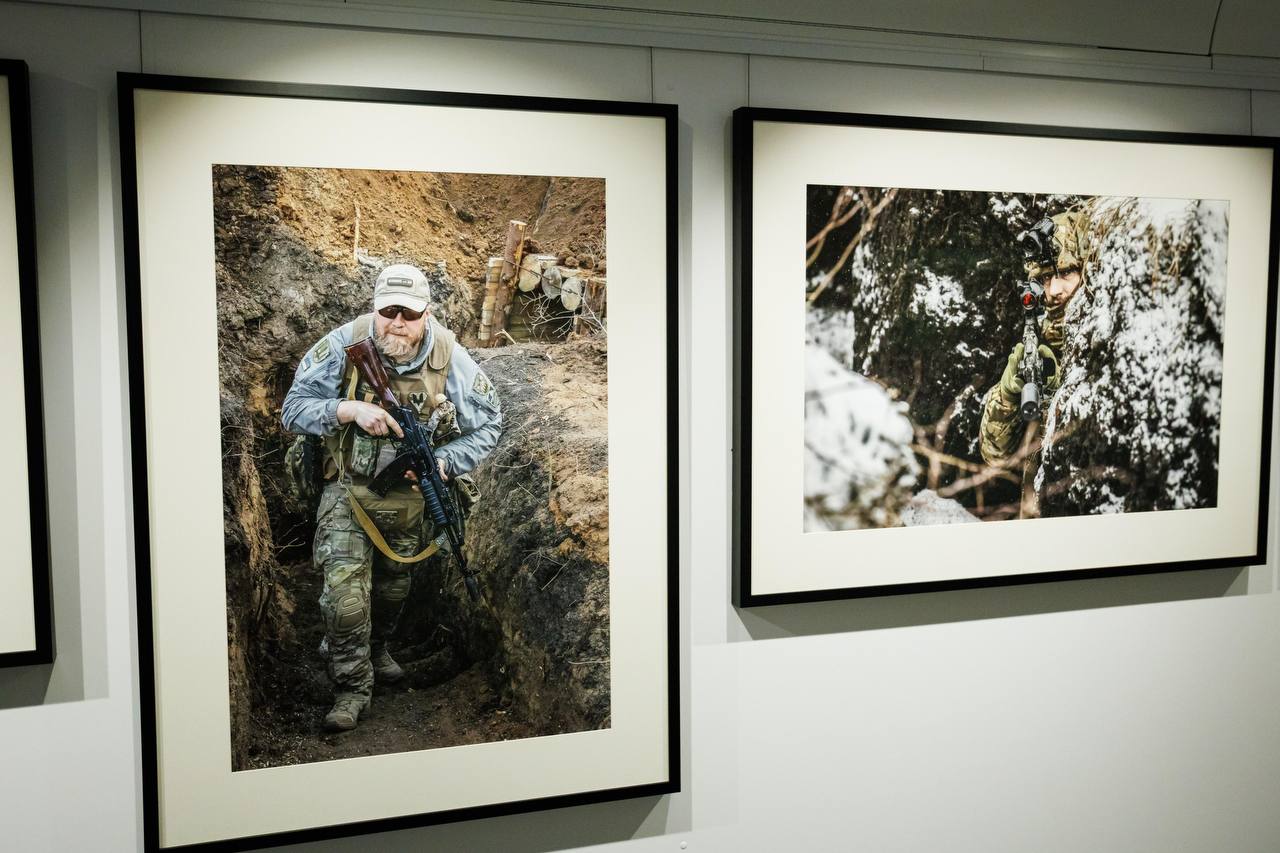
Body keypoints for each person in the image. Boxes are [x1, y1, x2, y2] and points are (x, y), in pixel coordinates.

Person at [282, 263, 501, 732]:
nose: (397, 322)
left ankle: (374, 648)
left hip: (408, 499)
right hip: (347, 489)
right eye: (388, 311)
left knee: (392, 591)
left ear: (427, 314)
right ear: (374, 308)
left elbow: (489, 426)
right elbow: (292, 408)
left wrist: (443, 461)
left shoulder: (450, 358)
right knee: (346, 601)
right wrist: (349, 409)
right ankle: (352, 687)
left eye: (409, 313)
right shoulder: (345, 344)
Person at [978, 211, 1091, 516]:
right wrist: (1008, 394)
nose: (1054, 290)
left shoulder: (1103, 332)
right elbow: (994, 455)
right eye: (1045, 278)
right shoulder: (1039, 339)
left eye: (1065, 272)